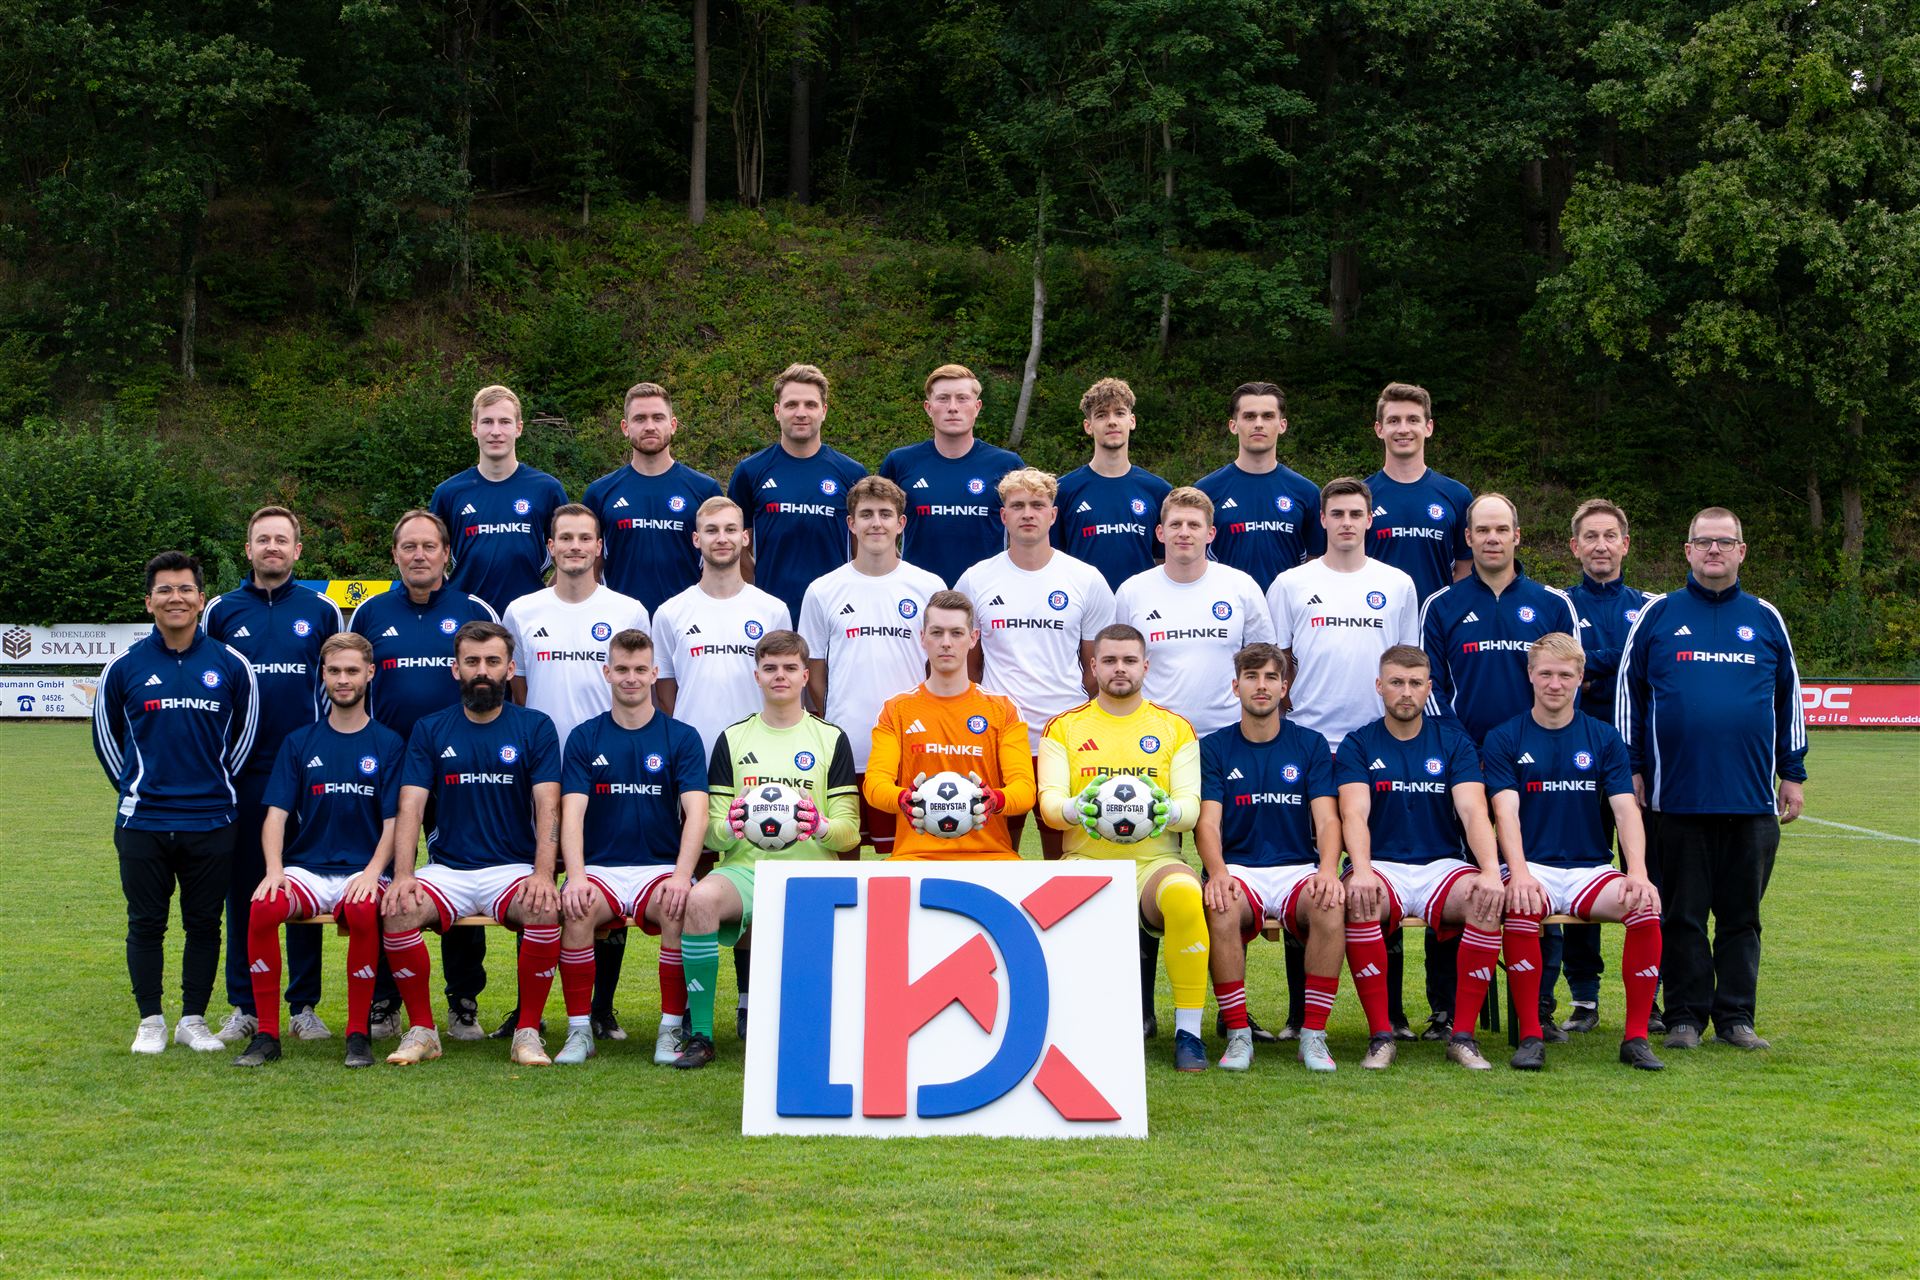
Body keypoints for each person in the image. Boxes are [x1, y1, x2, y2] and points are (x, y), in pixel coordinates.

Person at [1616, 507, 1807, 1052]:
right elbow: (1629, 697)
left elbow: (1789, 700)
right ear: (1688, 550)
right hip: (1676, 799)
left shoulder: (1765, 618)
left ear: (1741, 551)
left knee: (1742, 919)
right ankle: (1684, 1016)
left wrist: (1792, 772)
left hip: (1750, 801)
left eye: (1725, 542)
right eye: (1704, 542)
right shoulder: (1657, 616)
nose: (1714, 550)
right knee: (1682, 916)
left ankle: (1736, 1018)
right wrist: (1633, 768)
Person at [1413, 492, 1582, 1042]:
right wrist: (1463, 753)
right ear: (1468, 538)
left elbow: (1566, 684)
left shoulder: (1552, 603)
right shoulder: (1441, 605)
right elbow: (1432, 688)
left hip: (1535, 767)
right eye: (1481, 530)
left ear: (1516, 536)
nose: (1491, 538)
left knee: (1534, 879)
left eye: (1501, 529)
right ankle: (1446, 1009)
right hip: (1463, 766)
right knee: (1456, 881)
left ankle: (1540, 1008)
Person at [94, 551, 258, 1054]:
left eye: (185, 589)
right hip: (143, 820)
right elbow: (106, 740)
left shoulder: (231, 664)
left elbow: (244, 739)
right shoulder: (123, 667)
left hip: (211, 820)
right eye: (164, 590)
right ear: (149, 602)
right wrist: (136, 790)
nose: (175, 598)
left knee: (204, 924)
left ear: (201, 599)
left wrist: (213, 788)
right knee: (146, 923)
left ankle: (192, 1019)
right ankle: (150, 1021)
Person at [671, 630, 859, 1069]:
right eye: (770, 668)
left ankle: (822, 1027)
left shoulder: (831, 738)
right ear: (756, 676)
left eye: (790, 668)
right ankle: (700, 1034)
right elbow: (712, 832)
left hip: (811, 872)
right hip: (747, 871)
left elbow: (850, 832)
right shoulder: (733, 738)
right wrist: (732, 827)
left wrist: (821, 827)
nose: (780, 676)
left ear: (805, 675)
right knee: (699, 901)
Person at [380, 621, 564, 1066]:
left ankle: (527, 1033)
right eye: (472, 661)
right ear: (455, 669)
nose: (482, 670)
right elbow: (410, 806)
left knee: (543, 907)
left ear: (510, 669)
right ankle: (423, 1031)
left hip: (512, 868)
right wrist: (403, 875)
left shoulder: (536, 727)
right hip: (449, 869)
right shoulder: (430, 728)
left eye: (493, 661)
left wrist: (543, 874)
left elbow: (549, 806)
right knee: (399, 908)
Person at [1481, 633, 1666, 1071]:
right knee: (1521, 906)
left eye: (1565, 675)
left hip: (1590, 869)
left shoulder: (1603, 737)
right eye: (1545, 673)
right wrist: (1519, 873)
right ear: (1530, 675)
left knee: (1644, 907)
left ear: (1581, 677)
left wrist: (1638, 873)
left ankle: (1636, 1038)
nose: (1555, 684)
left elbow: (1626, 810)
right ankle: (1531, 1035)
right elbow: (1505, 812)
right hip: (1532, 867)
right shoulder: (1504, 737)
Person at [501, 503, 650, 1040]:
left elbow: (635, 685)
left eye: (585, 538)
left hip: (607, 765)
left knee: (602, 882)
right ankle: (530, 1010)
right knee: (539, 886)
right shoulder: (522, 610)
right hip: (541, 771)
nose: (575, 547)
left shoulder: (628, 609)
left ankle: (601, 1008)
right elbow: (519, 690)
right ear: (550, 546)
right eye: (565, 538)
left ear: (599, 546)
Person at [349, 510, 499, 1040]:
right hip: (391, 770)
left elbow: (494, 682)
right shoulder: (369, 613)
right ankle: (385, 1000)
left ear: (446, 553)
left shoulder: (473, 610)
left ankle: (463, 1001)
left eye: (429, 546)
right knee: (388, 881)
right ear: (394, 554)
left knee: (461, 873)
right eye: (408, 546)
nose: (419, 555)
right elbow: (352, 685)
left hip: (460, 767)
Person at [201, 506, 344, 1045]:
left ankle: (303, 1005)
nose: (272, 547)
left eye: (282, 540)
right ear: (248, 549)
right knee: (244, 889)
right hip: (241, 773)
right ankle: (243, 1004)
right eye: (263, 539)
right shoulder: (220, 611)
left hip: (306, 773)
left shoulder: (322, 611)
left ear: (297, 550)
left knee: (303, 884)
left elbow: (336, 689)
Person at [651, 495, 793, 1033]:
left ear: (745, 537)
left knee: (753, 873)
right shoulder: (672, 611)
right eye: (711, 529)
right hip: (694, 767)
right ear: (696, 539)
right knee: (695, 885)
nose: (722, 538)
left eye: (731, 529)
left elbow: (780, 682)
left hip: (756, 763)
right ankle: (689, 1006)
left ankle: (749, 1001)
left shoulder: (771, 608)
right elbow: (667, 692)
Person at [1037, 625, 1208, 1070]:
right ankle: (1071, 1026)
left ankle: (1189, 1034)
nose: (1120, 669)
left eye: (1129, 660)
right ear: (1093, 666)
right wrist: (1077, 808)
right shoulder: (1064, 727)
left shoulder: (1175, 728)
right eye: (1110, 660)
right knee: (1049, 905)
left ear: (1145, 666)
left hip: (1155, 863)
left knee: (1185, 893)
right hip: (1085, 861)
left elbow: (1191, 809)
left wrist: (1166, 811)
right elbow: (1050, 807)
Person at [233, 632, 404, 1069]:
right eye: (334, 671)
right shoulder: (299, 741)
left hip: (362, 870)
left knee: (363, 911)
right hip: (307, 868)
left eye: (352, 671)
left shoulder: (388, 743)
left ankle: (357, 1034)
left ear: (370, 673)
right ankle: (267, 1035)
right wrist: (274, 870)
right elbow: (275, 816)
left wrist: (373, 873)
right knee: (263, 908)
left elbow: (394, 822)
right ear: (322, 675)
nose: (343, 680)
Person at [1334, 646, 1507, 1071]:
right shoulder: (1359, 743)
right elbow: (1354, 813)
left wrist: (1490, 871)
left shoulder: (1454, 742)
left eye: (1415, 683)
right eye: (1396, 682)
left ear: (1429, 688)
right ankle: (1381, 1036)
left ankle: (1462, 1036)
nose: (1406, 692)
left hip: (1440, 865)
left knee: (1485, 899)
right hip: (1382, 863)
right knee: (1360, 899)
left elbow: (1473, 811)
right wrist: (1362, 869)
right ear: (1380, 686)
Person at [554, 629, 708, 1066]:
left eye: (641, 669)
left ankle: (670, 1029)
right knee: (578, 908)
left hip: (658, 866)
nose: (631, 678)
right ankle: (579, 1031)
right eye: (622, 669)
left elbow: (697, 814)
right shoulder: (585, 736)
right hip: (600, 868)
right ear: (607, 672)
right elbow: (572, 814)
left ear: (655, 673)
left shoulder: (681, 736)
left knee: (678, 905)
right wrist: (576, 877)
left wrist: (682, 876)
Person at [1197, 645, 1345, 1073]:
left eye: (1270, 677)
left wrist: (1328, 870)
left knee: (1329, 903)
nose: (1260, 686)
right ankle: (1238, 1034)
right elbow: (1208, 824)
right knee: (1222, 906)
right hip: (1240, 869)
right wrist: (1218, 873)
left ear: (1284, 687)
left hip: (1297, 867)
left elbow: (1328, 819)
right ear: (1235, 686)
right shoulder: (1215, 747)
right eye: (1251, 677)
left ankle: (1313, 1035)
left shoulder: (1310, 744)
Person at [954, 468, 1114, 858]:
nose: (1028, 513)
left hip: (1063, 738)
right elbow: (968, 667)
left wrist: (1074, 718)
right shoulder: (976, 580)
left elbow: (1096, 668)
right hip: (998, 737)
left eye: (1038, 505)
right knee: (996, 854)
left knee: (1064, 854)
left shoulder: (1086, 579)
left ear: (1053, 515)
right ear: (1003, 515)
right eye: (1018, 505)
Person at [797, 475, 946, 857]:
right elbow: (814, 669)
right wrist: (836, 715)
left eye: (885, 514)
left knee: (906, 860)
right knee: (842, 854)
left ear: (901, 523)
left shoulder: (928, 586)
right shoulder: (823, 590)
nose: (876, 523)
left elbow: (941, 665)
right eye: (866, 515)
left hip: (911, 746)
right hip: (846, 745)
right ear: (851, 523)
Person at [1555, 498, 1651, 1034]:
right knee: (1579, 875)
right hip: (1574, 765)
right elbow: (1560, 665)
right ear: (1575, 547)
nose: (1600, 545)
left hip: (1640, 765)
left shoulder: (1652, 607)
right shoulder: (1560, 606)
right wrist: (1613, 665)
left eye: (1610, 535)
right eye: (1590, 537)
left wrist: (1598, 666)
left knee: (1646, 877)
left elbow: (1647, 671)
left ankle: (1651, 999)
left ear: (1625, 544)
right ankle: (1585, 998)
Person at [862, 591, 1033, 860]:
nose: (946, 643)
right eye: (936, 632)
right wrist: (902, 798)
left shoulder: (1003, 709)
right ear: (922, 637)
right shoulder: (896, 710)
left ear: (973, 638)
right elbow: (874, 785)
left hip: (990, 855)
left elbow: (1024, 789)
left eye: (956, 633)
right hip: (915, 856)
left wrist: (995, 800)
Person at [1113, 487, 1275, 738]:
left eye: (1194, 525)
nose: (1184, 533)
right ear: (1160, 533)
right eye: (1175, 524)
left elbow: (1266, 663)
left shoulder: (1241, 586)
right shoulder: (1132, 591)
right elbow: (1117, 665)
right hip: (1154, 736)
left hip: (1228, 735)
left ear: (1211, 534)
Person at [726, 363, 868, 621]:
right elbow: (737, 546)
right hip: (771, 614)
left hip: (836, 612)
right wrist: (758, 594)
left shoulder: (851, 473)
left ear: (824, 411)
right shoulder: (750, 471)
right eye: (791, 405)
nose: (801, 413)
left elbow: (862, 548)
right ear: (777, 411)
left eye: (810, 405)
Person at [581, 381, 724, 614]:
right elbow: (590, 566)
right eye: (640, 419)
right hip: (620, 621)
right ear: (625, 427)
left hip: (688, 620)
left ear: (673, 425)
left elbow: (720, 563)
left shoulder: (704, 490)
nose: (649, 426)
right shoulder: (600, 492)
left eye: (658, 418)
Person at [879, 363, 1024, 586]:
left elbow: (1026, 533)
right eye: (943, 398)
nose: (953, 407)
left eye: (962, 398)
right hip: (917, 594)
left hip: (988, 592)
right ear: (928, 407)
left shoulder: (1007, 465)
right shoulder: (900, 463)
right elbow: (881, 531)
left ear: (977, 407)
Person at [429, 384, 569, 612]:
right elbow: (430, 558)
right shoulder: (449, 493)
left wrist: (546, 598)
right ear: (474, 428)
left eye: (504, 422)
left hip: (529, 619)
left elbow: (570, 555)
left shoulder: (547, 489)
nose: (496, 431)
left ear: (518, 428)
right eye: (487, 422)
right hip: (468, 619)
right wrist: (449, 601)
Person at [1194, 381, 1323, 589]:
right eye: (1249, 416)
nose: (1259, 424)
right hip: (1225, 605)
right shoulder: (1206, 491)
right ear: (1233, 425)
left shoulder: (1306, 492)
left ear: (1282, 425)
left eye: (1268, 416)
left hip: (1287, 607)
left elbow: (1316, 561)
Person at [1052, 378, 1172, 589]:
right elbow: (1053, 560)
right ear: (1088, 426)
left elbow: (1165, 560)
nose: (1112, 421)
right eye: (1101, 415)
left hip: (1141, 604)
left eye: (1119, 413)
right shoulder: (1063, 490)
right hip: (1085, 604)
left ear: (1132, 421)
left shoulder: (1158, 491)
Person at [1364, 382, 1472, 607]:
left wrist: (1446, 611)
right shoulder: (1361, 496)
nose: (1403, 429)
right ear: (1379, 429)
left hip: (1436, 623)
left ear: (1428, 427)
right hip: (1375, 620)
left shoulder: (1457, 495)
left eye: (1413, 420)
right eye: (1394, 421)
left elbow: (1466, 566)